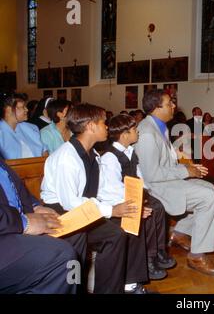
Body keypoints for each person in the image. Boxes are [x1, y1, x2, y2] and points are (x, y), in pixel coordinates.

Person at [41, 103, 148, 294]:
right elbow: (70, 202)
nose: (107, 127)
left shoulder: (93, 154)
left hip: (84, 210)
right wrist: (111, 210)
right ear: (90, 126)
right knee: (82, 240)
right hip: (60, 215)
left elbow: (100, 191)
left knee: (119, 233)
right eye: (103, 122)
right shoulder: (66, 157)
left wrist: (130, 206)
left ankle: (111, 289)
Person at [134, 89, 214, 277]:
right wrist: (186, 171)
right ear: (156, 108)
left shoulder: (160, 126)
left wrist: (185, 159)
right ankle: (196, 256)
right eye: (169, 103)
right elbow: (151, 174)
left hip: (166, 180)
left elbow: (166, 154)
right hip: (156, 187)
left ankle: (178, 232)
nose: (174, 106)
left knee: (209, 187)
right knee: (209, 197)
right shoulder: (147, 133)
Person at [97, 114, 176, 281]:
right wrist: (135, 199)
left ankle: (159, 250)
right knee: (147, 213)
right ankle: (148, 258)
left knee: (158, 207)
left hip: (135, 192)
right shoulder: (110, 157)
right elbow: (112, 187)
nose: (138, 132)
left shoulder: (131, 151)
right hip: (120, 198)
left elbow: (138, 174)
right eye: (134, 129)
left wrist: (144, 190)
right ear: (125, 134)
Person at [0, 158, 77, 294]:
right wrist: (23, 222)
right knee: (62, 254)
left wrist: (35, 207)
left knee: (76, 235)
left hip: (10, 222)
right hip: (5, 229)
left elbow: (13, 186)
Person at [0, 94, 47, 160]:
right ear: (9, 110)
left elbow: (44, 152)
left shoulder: (31, 128)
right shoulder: (2, 134)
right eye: (23, 107)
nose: (27, 109)